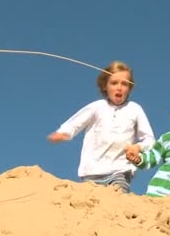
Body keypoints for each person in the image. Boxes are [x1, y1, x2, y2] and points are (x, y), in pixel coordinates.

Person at [47, 61, 155, 193]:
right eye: (114, 83)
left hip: (120, 171)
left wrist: (138, 147)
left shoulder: (135, 109)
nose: (119, 88)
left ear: (130, 88)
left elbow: (149, 139)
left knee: (118, 197)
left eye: (124, 84)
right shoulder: (97, 107)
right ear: (105, 86)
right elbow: (77, 121)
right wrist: (64, 133)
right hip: (92, 172)